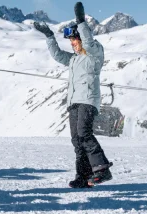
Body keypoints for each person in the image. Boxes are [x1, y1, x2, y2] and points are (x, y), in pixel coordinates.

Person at [33, 2, 113, 187]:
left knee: (84, 133)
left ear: (81, 39)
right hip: (74, 101)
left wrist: (81, 22)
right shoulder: (74, 59)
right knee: (77, 141)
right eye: (71, 42)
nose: (73, 45)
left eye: (74, 41)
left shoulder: (94, 54)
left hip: (88, 100)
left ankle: (102, 168)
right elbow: (58, 56)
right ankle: (83, 177)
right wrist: (49, 36)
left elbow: (89, 43)